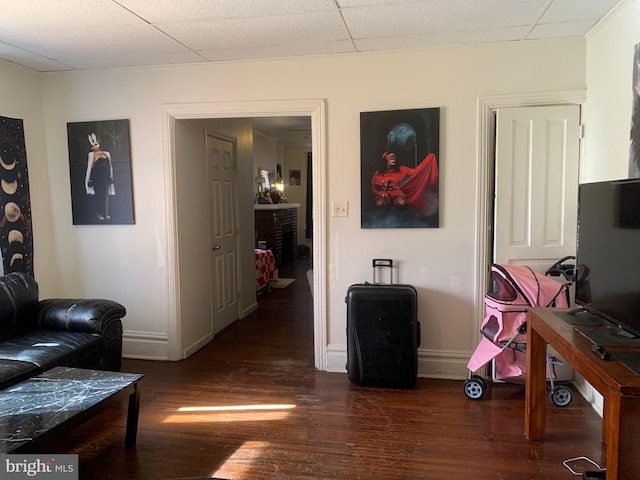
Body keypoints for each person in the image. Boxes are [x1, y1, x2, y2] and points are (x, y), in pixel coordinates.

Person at [371, 151, 439, 215]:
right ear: (386, 160)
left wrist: (427, 162)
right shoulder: (378, 173)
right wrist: (381, 194)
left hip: (396, 193)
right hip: (383, 195)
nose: (394, 160)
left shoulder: (401, 169)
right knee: (379, 203)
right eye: (391, 158)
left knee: (401, 202)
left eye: (395, 158)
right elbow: (373, 189)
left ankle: (399, 221)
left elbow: (415, 172)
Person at [85, 133, 115, 222]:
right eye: (93, 145)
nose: (95, 146)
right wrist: (90, 179)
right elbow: (91, 167)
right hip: (97, 176)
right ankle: (99, 213)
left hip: (105, 176)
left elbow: (110, 166)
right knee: (99, 195)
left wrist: (110, 176)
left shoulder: (106, 153)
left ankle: (106, 212)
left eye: (96, 144)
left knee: (106, 195)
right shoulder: (92, 155)